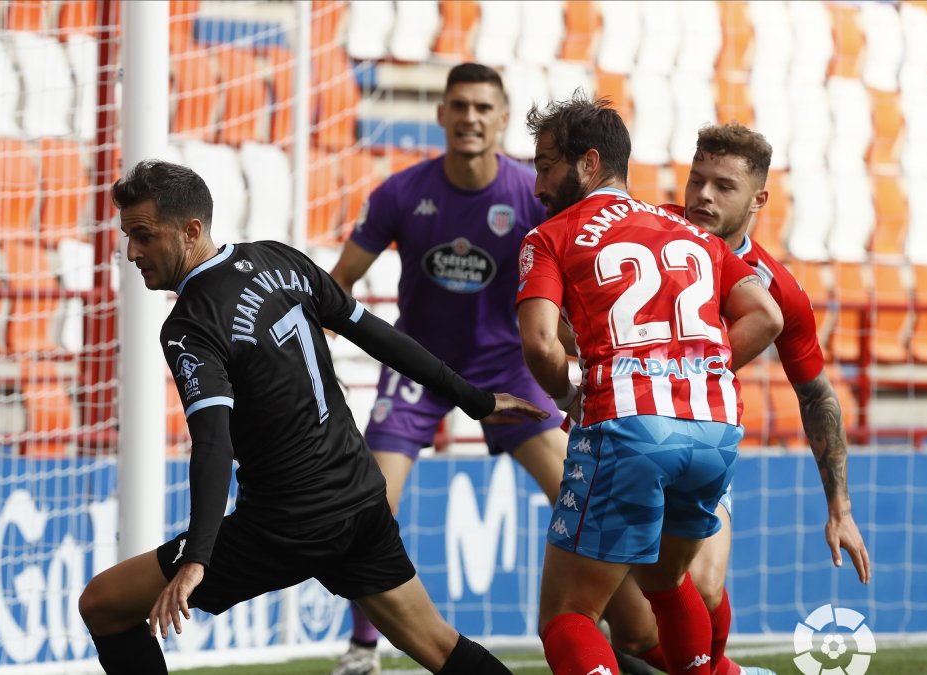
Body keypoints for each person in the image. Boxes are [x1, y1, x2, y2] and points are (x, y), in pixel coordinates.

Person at [78, 159, 548, 675]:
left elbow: (213, 442)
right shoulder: (280, 260)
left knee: (101, 604)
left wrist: (198, 555)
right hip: (359, 496)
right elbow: (376, 333)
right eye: (128, 237)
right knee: (439, 646)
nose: (132, 252)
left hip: (287, 523)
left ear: (191, 230)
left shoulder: (190, 326)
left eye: (143, 236)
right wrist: (473, 398)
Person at [516, 93, 784, 675]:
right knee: (667, 580)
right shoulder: (688, 230)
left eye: (544, 166)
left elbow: (539, 343)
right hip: (715, 429)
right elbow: (766, 314)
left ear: (588, 164)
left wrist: (570, 397)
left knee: (569, 615)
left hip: (629, 426)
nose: (536, 185)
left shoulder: (551, 237)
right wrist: (698, 372)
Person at [599, 123, 871, 675]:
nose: (702, 195)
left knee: (700, 581)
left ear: (759, 199)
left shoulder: (776, 288)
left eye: (723, 186)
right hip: (615, 432)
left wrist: (838, 506)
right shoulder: (644, 229)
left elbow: (815, 394)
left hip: (700, 439)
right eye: (697, 180)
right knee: (628, 627)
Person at [329, 62, 566, 675]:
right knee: (370, 507)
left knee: (582, 497)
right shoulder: (400, 193)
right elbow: (339, 286)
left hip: (506, 370)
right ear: (441, 115)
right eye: (459, 106)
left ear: (503, 119)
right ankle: (362, 647)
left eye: (483, 108)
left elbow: (564, 293)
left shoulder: (529, 197)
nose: (470, 118)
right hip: (418, 367)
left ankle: (607, 632)